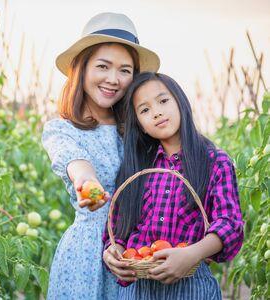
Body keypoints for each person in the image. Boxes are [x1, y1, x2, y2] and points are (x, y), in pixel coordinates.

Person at [42, 13, 160, 299]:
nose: (113, 79)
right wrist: (89, 187)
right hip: (87, 256)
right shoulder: (62, 130)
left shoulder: (141, 129)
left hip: (136, 255)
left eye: (124, 70)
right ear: (81, 70)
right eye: (103, 66)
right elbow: (77, 166)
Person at [102, 72, 244, 299]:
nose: (156, 112)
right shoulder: (137, 169)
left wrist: (191, 254)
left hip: (190, 285)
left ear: (180, 102)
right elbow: (119, 227)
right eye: (144, 110)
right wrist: (115, 251)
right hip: (139, 288)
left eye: (163, 101)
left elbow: (229, 223)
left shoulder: (215, 162)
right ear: (141, 125)